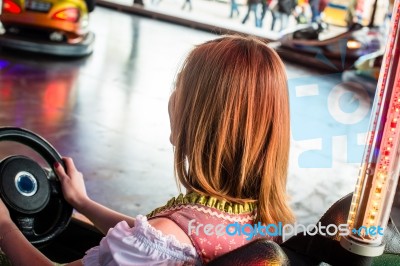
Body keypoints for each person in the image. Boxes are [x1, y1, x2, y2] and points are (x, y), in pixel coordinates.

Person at [0, 35, 295, 265]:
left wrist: (4, 226)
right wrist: (83, 202)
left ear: (202, 119)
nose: (172, 97)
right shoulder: (260, 216)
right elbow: (150, 236)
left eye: (180, 87)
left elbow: (157, 240)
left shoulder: (166, 240)